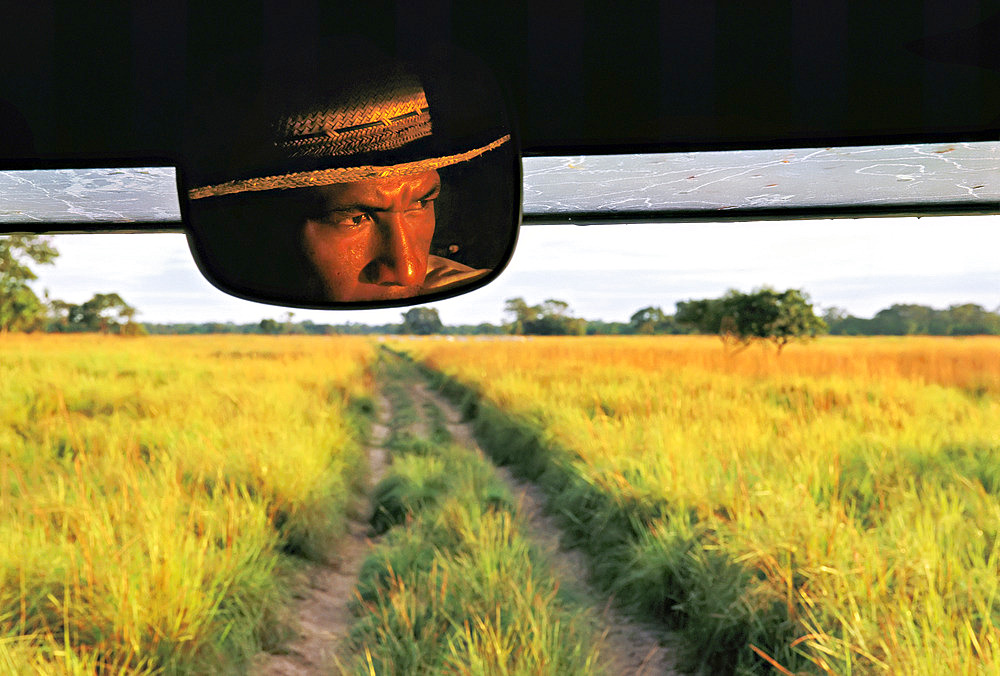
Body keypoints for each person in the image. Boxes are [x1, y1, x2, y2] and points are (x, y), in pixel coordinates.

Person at [184, 58, 512, 305]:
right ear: (252, 225)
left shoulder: (462, 287)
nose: (408, 270)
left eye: (420, 203)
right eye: (355, 219)